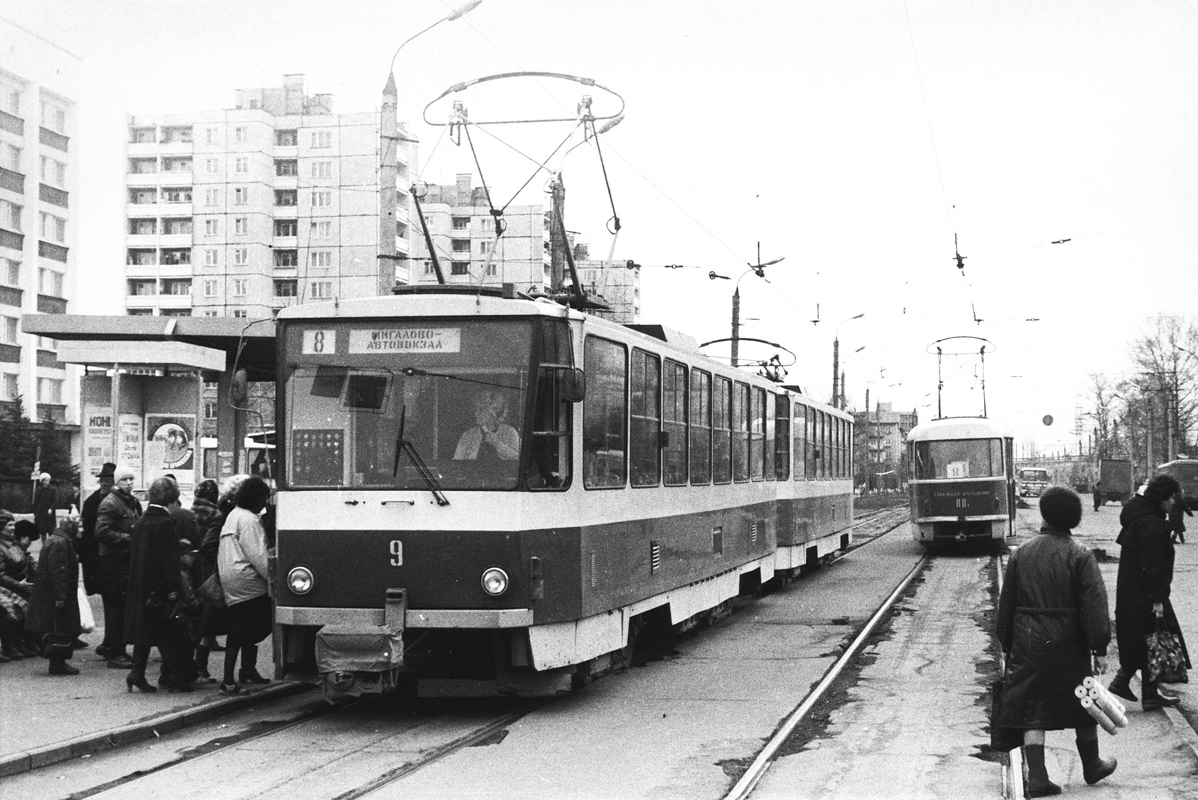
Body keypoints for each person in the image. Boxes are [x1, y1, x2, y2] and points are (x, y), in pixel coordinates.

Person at [996, 486, 1115, 797]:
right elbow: (1094, 605)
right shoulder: (1081, 555)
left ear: (1045, 514)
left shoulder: (1021, 553)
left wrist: (1006, 643)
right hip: (1070, 641)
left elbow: (1006, 606)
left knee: (1031, 707)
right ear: (1073, 518)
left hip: (1028, 640)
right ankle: (1092, 764)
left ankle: (1038, 778)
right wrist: (1099, 645)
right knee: (1083, 697)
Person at [1108, 474, 1191, 710]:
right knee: (1153, 640)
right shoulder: (1152, 525)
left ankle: (1133, 686)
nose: (1173, 502)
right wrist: (1156, 599)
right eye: (1171, 498)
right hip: (1146, 595)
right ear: (1161, 497)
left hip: (1132, 594)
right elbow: (1152, 567)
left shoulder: (1141, 518)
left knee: (1145, 640)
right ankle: (1141, 690)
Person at [124, 477, 197, 693]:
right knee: (170, 633)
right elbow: (168, 563)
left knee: (144, 631)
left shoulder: (142, 520)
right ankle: (174, 677)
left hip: (142, 585)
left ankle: (136, 673)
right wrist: (177, 590)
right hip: (161, 589)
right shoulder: (165, 523)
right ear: (171, 500)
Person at [217, 475, 273, 695]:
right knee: (259, 622)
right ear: (255, 498)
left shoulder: (234, 514)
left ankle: (246, 670)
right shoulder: (249, 520)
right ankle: (230, 680)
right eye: (263, 499)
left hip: (231, 578)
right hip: (248, 581)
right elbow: (258, 556)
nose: (264, 504)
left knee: (241, 627)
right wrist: (273, 579)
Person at [95, 464, 142, 668]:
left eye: (131, 479)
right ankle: (115, 652)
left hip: (125, 559)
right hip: (113, 560)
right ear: (117, 482)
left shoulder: (130, 501)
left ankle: (118, 649)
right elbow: (101, 532)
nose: (129, 483)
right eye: (124, 479)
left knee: (123, 606)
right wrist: (128, 539)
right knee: (116, 607)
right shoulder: (110, 503)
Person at [24, 517, 83, 676]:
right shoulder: (61, 543)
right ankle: (57, 662)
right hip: (55, 594)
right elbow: (58, 571)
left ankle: (57, 661)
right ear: (71, 527)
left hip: (51, 593)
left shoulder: (57, 540)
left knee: (57, 627)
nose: (82, 530)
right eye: (80, 526)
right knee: (59, 628)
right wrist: (60, 596)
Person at [191, 479, 226, 682]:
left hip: (194, 569)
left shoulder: (191, 512)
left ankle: (194, 666)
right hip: (209, 571)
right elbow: (209, 544)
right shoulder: (216, 515)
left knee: (196, 617)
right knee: (207, 619)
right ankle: (200, 667)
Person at [0, 512, 37, 661]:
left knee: (36, 600)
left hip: (17, 584)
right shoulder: (2, 547)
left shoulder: (13, 545)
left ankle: (22, 641)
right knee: (12, 606)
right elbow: (1, 575)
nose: (13, 528)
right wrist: (18, 585)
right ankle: (11, 644)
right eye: (9, 525)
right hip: (9, 585)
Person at [79, 463, 116, 600]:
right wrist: (83, 557)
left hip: (115, 555)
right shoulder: (90, 502)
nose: (104, 484)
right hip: (95, 555)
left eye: (108, 481)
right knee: (105, 592)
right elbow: (84, 531)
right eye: (102, 480)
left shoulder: (124, 500)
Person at [454, 389, 520, 463]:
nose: (476, 413)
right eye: (475, 409)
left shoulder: (510, 432)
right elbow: (457, 464)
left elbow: (518, 458)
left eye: (481, 409)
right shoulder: (467, 436)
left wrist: (497, 444)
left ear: (493, 411)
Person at [34, 472, 57, 543]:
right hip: (41, 512)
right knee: (42, 530)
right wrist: (35, 512)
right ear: (42, 481)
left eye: (48, 480)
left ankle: (51, 544)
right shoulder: (39, 489)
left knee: (51, 530)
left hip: (50, 512)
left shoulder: (53, 489)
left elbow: (55, 501)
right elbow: (36, 501)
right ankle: (44, 545)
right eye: (45, 480)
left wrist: (51, 508)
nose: (46, 482)